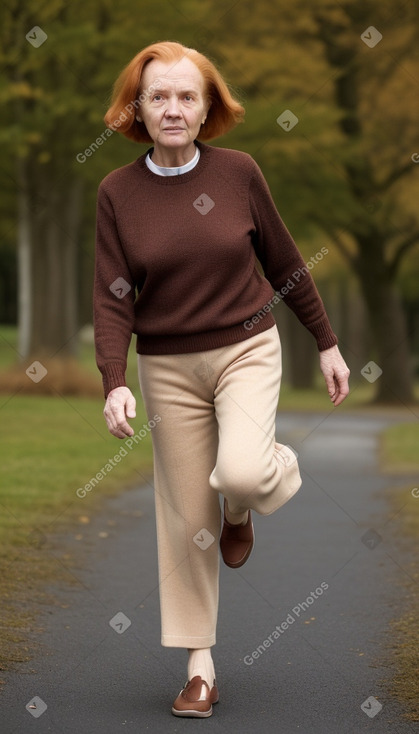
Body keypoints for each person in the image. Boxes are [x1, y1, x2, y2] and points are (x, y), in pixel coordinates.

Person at [93, 40, 350, 718]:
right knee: (185, 520)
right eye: (158, 97)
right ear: (137, 110)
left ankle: (244, 501)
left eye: (185, 96)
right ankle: (199, 667)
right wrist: (113, 378)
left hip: (246, 349)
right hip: (167, 366)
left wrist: (324, 342)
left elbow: (285, 262)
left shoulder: (238, 174)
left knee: (237, 474)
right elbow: (113, 294)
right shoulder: (116, 191)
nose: (172, 109)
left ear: (207, 107)